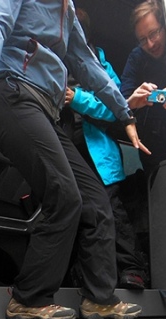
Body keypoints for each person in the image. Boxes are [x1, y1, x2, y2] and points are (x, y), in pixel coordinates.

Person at [0, 0, 150, 319]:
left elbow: (88, 65)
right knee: (63, 194)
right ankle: (29, 297)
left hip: (43, 109)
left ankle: (99, 298)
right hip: (12, 93)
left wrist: (124, 113)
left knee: (95, 201)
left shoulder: (67, 13)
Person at [64, 8, 148, 290]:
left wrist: (75, 97)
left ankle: (131, 268)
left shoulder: (98, 62)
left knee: (111, 211)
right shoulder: (50, 61)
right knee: (76, 213)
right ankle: (83, 276)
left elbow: (114, 107)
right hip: (66, 149)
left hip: (100, 153)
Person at [121, 0, 166, 174]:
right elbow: (123, 100)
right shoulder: (136, 57)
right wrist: (132, 101)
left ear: (165, 26)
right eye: (143, 40)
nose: (150, 44)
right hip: (152, 144)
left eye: (154, 34)